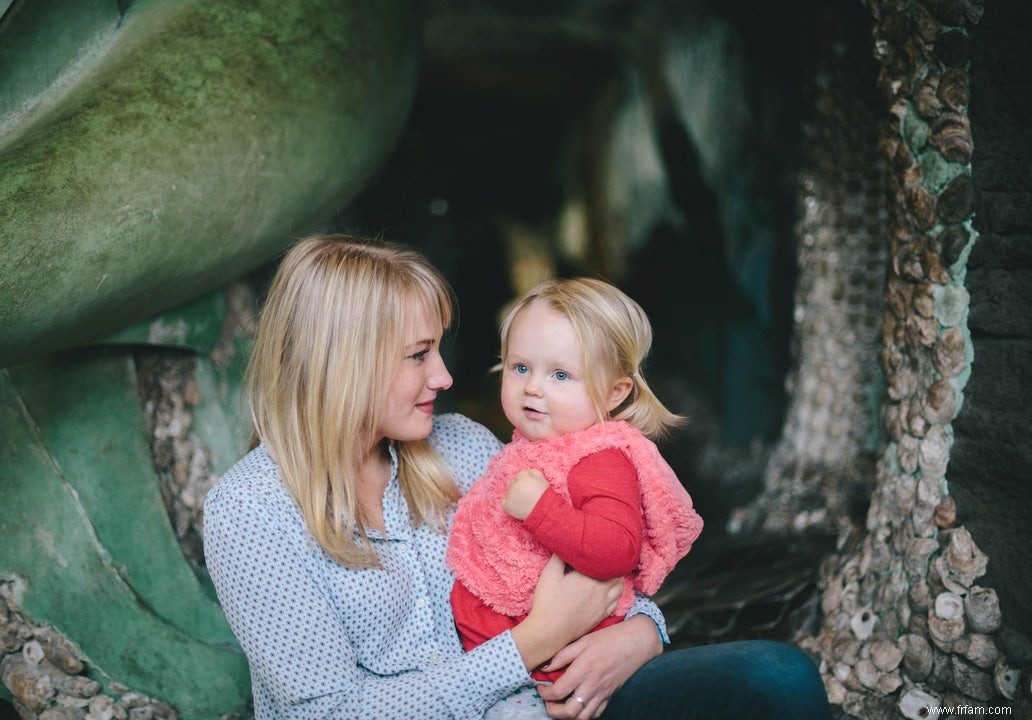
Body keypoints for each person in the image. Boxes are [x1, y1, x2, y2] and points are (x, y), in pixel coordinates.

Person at [203, 233, 833, 720]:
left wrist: (642, 635)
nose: (445, 379)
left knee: (777, 679)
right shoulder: (249, 510)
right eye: (419, 355)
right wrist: (531, 644)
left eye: (439, 350)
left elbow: (587, 560)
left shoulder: (469, 448)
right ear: (343, 365)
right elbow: (329, 713)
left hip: (546, 699)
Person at [446, 277, 703, 708]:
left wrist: (540, 510)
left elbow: (617, 549)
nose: (533, 387)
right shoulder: (526, 448)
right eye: (520, 367)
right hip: (508, 657)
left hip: (560, 667)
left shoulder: (600, 459)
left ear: (614, 392)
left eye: (561, 375)